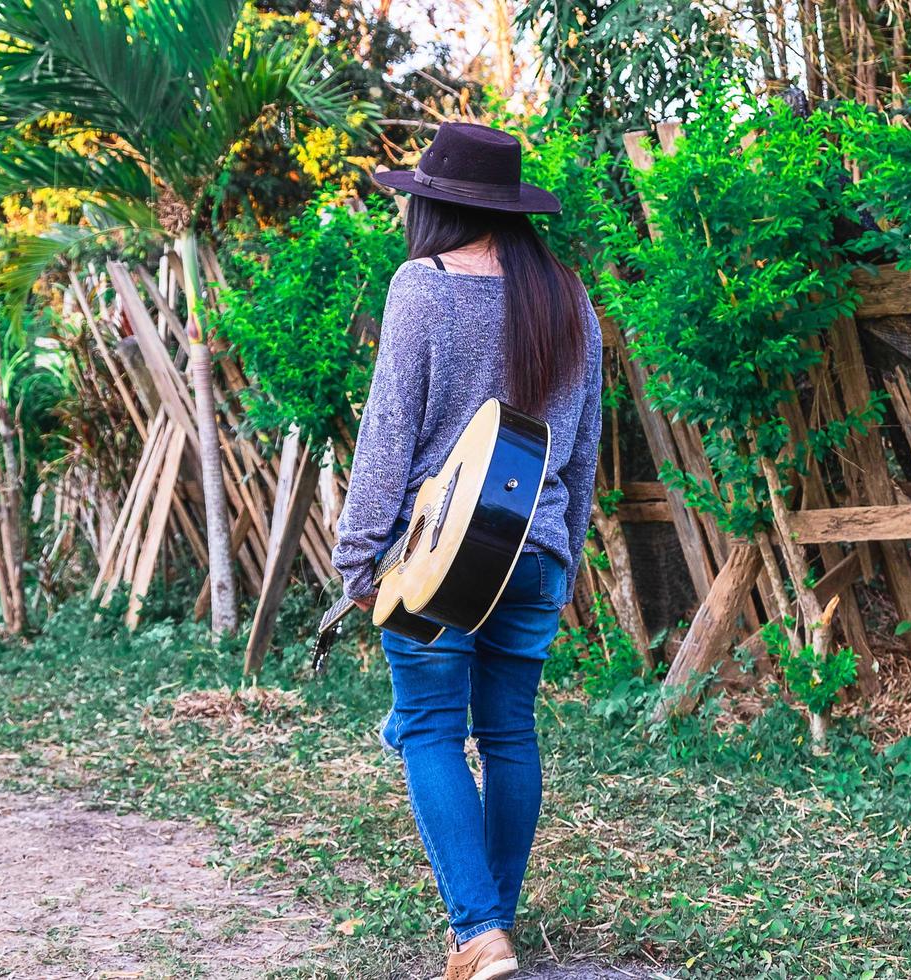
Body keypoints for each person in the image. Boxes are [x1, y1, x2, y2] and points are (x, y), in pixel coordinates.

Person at [332, 122, 603, 980]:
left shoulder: (423, 288)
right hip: (537, 548)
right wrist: (565, 554)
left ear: (436, 209)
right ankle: (487, 933)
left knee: (430, 728)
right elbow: (586, 447)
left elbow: (387, 433)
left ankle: (480, 932)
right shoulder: (568, 297)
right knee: (509, 731)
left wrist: (357, 557)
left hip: (438, 553)